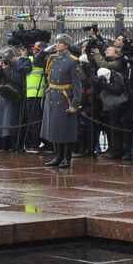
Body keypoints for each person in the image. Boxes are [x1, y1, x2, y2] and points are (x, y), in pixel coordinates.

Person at [36, 36, 83, 168]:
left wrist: (75, 103)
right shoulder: (52, 58)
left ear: (66, 45)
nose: (57, 45)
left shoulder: (73, 61)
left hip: (64, 98)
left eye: (60, 43)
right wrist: (45, 50)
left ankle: (66, 158)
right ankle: (57, 156)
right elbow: (37, 62)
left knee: (66, 130)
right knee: (55, 129)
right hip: (52, 97)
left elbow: (77, 84)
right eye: (56, 42)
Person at [0, 52, 27, 152]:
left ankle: (12, 146)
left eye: (9, 58)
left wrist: (7, 69)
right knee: (1, 122)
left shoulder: (19, 66)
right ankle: (0, 146)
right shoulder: (3, 67)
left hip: (13, 98)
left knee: (10, 122)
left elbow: (18, 80)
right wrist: (0, 69)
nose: (7, 60)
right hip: (2, 97)